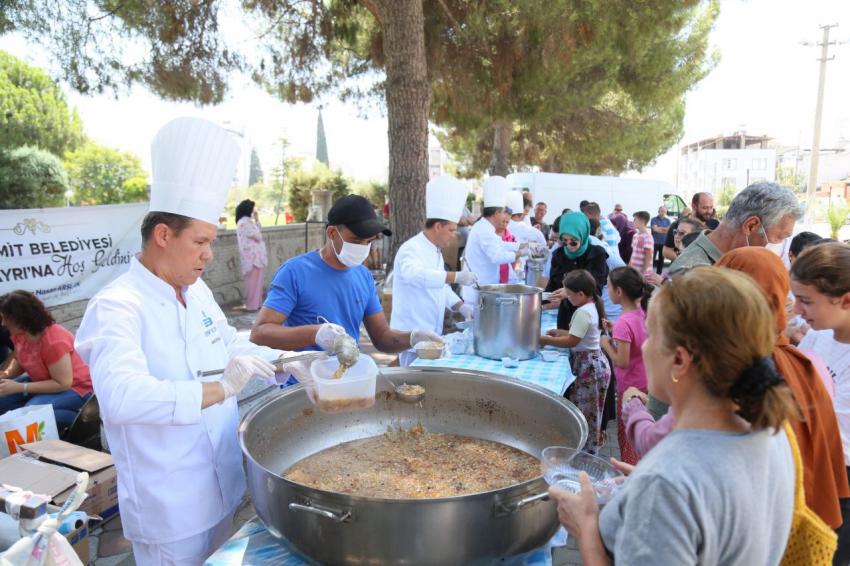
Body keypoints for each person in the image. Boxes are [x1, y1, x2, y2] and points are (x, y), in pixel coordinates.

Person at [74, 118, 289, 565]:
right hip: (169, 507)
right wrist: (222, 389)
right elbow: (123, 398)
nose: (210, 254)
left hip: (221, 486)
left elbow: (228, 345)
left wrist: (288, 359)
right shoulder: (117, 306)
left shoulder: (197, 291)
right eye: (201, 242)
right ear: (163, 235)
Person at [550, 267, 796, 565]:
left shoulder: (665, 484)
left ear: (679, 360)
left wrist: (585, 527)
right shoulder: (770, 427)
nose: (644, 346)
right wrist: (642, 483)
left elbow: (679, 488)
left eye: (651, 335)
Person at [716, 247, 849, 533]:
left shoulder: (767, 360)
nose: (797, 310)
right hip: (804, 482)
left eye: (805, 301)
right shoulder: (812, 340)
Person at [252, 194, 442, 358]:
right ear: (332, 233)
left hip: (348, 380)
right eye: (356, 240)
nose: (363, 248)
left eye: (368, 242)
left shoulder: (363, 277)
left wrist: (412, 338)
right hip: (304, 384)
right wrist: (315, 334)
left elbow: (382, 337)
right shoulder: (295, 272)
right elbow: (259, 334)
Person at [792, 242, 850, 561]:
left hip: (840, 481)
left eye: (806, 301)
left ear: (845, 300)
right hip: (813, 470)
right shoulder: (819, 333)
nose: (798, 310)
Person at [391, 176, 476, 366]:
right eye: (451, 230)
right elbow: (414, 276)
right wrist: (455, 276)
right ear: (438, 226)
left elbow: (440, 287)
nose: (454, 235)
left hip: (430, 334)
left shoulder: (435, 251)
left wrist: (461, 306)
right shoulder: (411, 248)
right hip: (411, 334)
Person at [540, 270, 611, 454]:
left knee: (586, 412)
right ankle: (583, 451)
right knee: (588, 410)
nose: (567, 298)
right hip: (592, 362)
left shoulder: (583, 312)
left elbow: (573, 341)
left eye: (569, 294)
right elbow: (578, 335)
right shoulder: (591, 306)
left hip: (589, 367)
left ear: (580, 294)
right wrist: (559, 333)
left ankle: (585, 455)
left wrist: (545, 340)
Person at [0, 290, 93, 431]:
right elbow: (21, 359)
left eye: (5, 318)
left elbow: (63, 383)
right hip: (44, 381)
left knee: (30, 414)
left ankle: (82, 423)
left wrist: (19, 387)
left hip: (77, 388)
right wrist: (6, 374)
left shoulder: (54, 340)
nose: (3, 324)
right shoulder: (20, 334)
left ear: (19, 320)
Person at [669, 182, 802, 274]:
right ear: (751, 226)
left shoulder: (739, 264)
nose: (782, 248)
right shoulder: (693, 273)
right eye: (780, 238)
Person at [600, 268, 651, 465]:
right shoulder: (644, 312)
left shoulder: (624, 322)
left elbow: (622, 361)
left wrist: (605, 343)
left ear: (619, 292)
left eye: (609, 286)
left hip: (630, 388)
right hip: (647, 383)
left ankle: (629, 478)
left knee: (628, 439)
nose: (607, 290)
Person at [461, 176, 529, 305]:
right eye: (504, 212)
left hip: (483, 289)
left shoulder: (485, 226)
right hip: (478, 292)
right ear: (497, 213)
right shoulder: (484, 230)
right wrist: (521, 253)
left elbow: (499, 244)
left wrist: (521, 245)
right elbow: (496, 256)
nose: (506, 216)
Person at [545, 212, 609, 330]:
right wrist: (538, 299)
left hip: (588, 316)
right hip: (565, 317)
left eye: (573, 241)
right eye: (564, 241)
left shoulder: (596, 254)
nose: (569, 245)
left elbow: (596, 289)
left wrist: (569, 292)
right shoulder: (559, 255)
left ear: (583, 235)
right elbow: (552, 286)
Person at [662, 192, 718, 261]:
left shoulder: (715, 225)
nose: (709, 211)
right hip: (683, 270)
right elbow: (666, 250)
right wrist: (683, 260)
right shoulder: (678, 224)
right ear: (694, 206)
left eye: (711, 207)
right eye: (705, 208)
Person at [235, 199, 268, 312]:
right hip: (252, 258)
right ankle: (252, 305)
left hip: (256, 257)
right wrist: (256, 221)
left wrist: (257, 219)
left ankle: (257, 304)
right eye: (252, 208)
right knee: (252, 283)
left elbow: (259, 230)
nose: (253, 211)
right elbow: (258, 235)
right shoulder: (244, 223)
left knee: (257, 283)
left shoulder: (248, 221)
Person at [629, 211, 654, 278]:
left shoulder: (647, 236)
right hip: (634, 272)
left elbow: (648, 256)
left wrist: (642, 273)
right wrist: (629, 267)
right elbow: (633, 253)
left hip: (643, 275)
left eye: (635, 219)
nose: (633, 221)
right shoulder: (635, 235)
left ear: (642, 221)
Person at [650, 206, 671, 274]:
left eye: (664, 211)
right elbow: (655, 229)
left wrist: (659, 228)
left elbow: (668, 230)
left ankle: (659, 274)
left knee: (661, 260)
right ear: (658, 211)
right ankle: (650, 273)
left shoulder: (668, 220)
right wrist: (664, 229)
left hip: (663, 243)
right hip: (654, 242)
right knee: (652, 259)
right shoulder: (653, 219)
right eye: (661, 211)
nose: (663, 213)